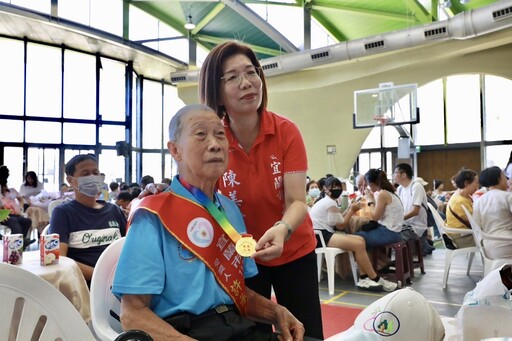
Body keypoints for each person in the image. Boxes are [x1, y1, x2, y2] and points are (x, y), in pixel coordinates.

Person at [112, 105, 305, 341]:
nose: (214, 144)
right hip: (185, 331)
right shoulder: (153, 213)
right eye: (201, 134)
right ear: (175, 150)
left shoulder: (230, 209)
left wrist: (276, 312)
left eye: (220, 134)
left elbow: (237, 292)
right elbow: (132, 313)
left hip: (239, 325)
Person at [197, 41, 323, 338]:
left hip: (294, 249)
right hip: (241, 256)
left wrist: (281, 229)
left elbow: (296, 201)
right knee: (250, 334)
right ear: (216, 91)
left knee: (306, 332)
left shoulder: (286, 131)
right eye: (232, 77)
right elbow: (207, 201)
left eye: (251, 72)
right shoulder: (213, 140)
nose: (246, 83)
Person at [309, 176, 398, 292]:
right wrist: (352, 210)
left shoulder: (328, 201)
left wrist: (350, 207)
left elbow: (338, 220)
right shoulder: (330, 203)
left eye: (338, 187)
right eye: (333, 187)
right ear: (325, 189)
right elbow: (340, 225)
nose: (336, 189)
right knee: (358, 244)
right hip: (321, 236)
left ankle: (364, 278)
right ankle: (375, 278)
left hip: (323, 234)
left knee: (360, 240)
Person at [49, 154, 127, 285]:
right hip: (85, 286)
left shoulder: (114, 210)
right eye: (85, 174)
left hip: (120, 282)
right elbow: (60, 258)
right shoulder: (63, 213)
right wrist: (101, 276)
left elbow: (130, 247)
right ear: (71, 180)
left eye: (95, 172)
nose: (92, 177)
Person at [354, 169, 403, 249]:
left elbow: (375, 217)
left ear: (372, 183)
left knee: (354, 238)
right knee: (363, 233)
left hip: (388, 233)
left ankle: (372, 261)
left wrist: (370, 201)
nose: (367, 187)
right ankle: (380, 260)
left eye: (367, 184)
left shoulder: (382, 194)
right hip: (395, 232)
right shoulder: (389, 192)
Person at [473, 166, 512, 258]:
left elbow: (477, 226)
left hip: (488, 247)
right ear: (499, 179)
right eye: (504, 176)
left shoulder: (478, 201)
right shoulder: (508, 196)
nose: (506, 179)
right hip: (508, 243)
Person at [393, 164, 432, 253]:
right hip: (404, 224)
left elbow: (415, 211)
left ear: (403, 175)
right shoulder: (400, 189)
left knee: (393, 236)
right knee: (386, 233)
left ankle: (402, 263)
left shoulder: (416, 186)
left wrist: (398, 219)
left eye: (395, 173)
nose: (393, 176)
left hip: (416, 226)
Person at [0, 165, 34, 246]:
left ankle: (21, 243)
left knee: (27, 221)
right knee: (15, 223)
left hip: (12, 214)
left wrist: (21, 209)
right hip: (3, 215)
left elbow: (20, 199)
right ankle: (15, 245)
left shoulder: (11, 191)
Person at [445, 168, 478, 248]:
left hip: (463, 233)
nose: (478, 186)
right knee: (495, 241)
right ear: (466, 183)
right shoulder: (459, 201)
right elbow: (476, 222)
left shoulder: (462, 196)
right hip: (460, 238)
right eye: (476, 183)